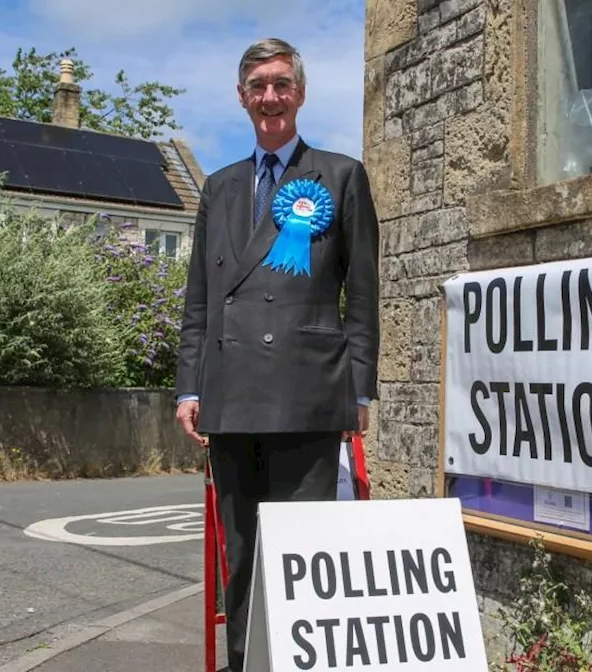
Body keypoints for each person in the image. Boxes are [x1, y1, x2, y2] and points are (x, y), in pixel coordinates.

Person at [172, 37, 380, 672]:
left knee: (304, 560)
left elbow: (364, 294)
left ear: (301, 93)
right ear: (242, 98)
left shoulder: (339, 176)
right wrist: (188, 387)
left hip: (308, 396)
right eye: (258, 86)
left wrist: (360, 388)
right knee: (239, 561)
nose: (270, 97)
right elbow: (201, 297)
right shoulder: (220, 187)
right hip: (231, 399)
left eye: (281, 84)